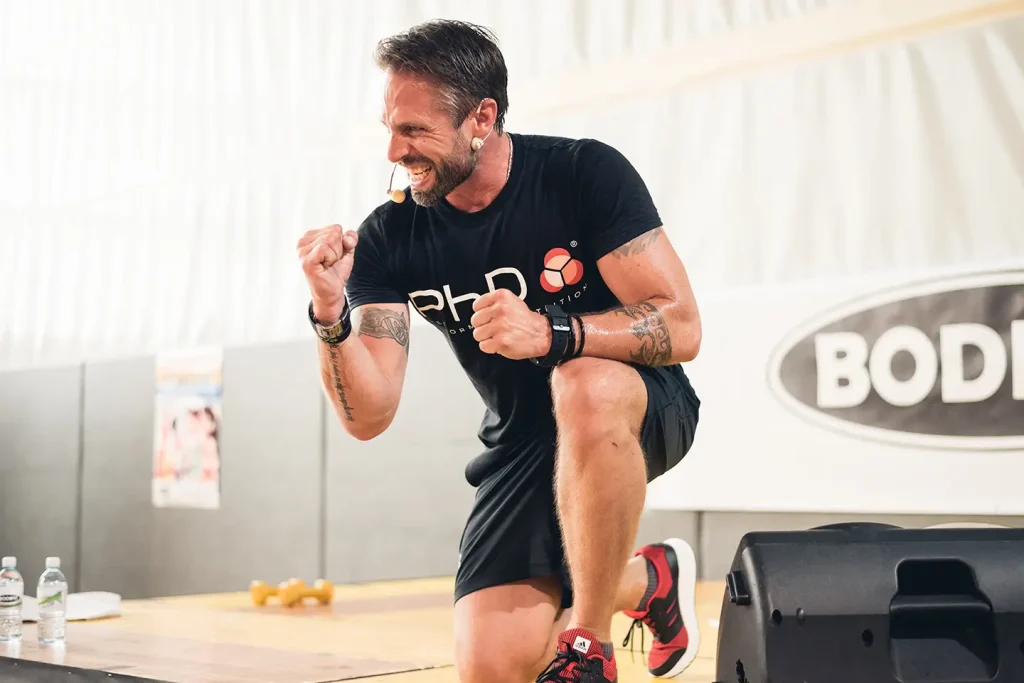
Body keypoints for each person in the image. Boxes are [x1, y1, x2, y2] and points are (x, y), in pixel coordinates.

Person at [297, 19, 702, 683]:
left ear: (481, 118)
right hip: (523, 444)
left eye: (414, 130)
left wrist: (553, 333)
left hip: (642, 401)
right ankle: (647, 580)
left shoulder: (581, 173)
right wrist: (329, 311)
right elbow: (368, 416)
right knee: (490, 670)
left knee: (582, 381)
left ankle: (589, 644)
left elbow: (681, 325)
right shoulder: (392, 236)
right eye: (389, 128)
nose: (394, 150)